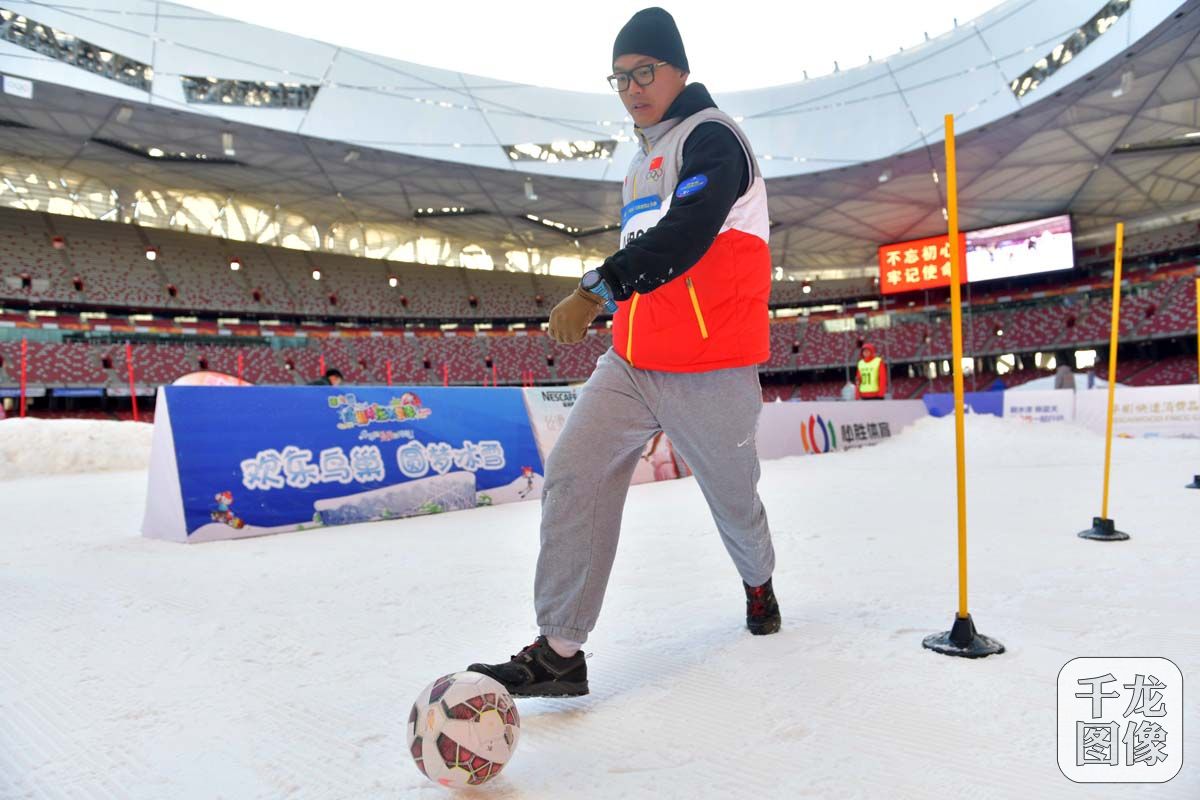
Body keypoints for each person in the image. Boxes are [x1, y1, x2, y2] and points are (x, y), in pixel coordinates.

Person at [469, 6, 780, 698]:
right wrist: (617, 301)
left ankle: (759, 583)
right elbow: (653, 249)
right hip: (634, 360)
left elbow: (693, 229)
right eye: (620, 78)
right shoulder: (640, 163)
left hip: (712, 364)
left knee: (734, 502)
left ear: (681, 71)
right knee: (575, 474)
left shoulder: (714, 138)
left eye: (646, 71)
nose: (634, 87)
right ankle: (559, 651)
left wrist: (599, 286)